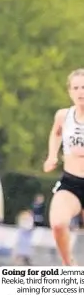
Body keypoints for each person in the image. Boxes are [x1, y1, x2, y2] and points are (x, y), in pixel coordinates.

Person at [43, 68, 84, 266]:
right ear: (69, 91)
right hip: (71, 182)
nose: (80, 92)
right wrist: (52, 156)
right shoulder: (63, 116)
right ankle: (70, 266)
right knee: (58, 223)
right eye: (76, 88)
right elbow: (57, 133)